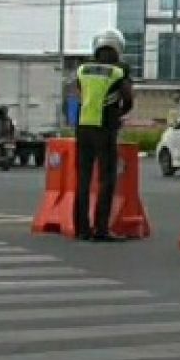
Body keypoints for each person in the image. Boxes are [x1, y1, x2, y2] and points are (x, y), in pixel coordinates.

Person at [74, 28, 134, 242]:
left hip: (83, 127)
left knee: (83, 179)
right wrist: (118, 114)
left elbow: (80, 94)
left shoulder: (82, 69)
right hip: (105, 128)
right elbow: (128, 100)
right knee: (106, 180)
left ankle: (81, 229)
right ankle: (101, 229)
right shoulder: (119, 71)